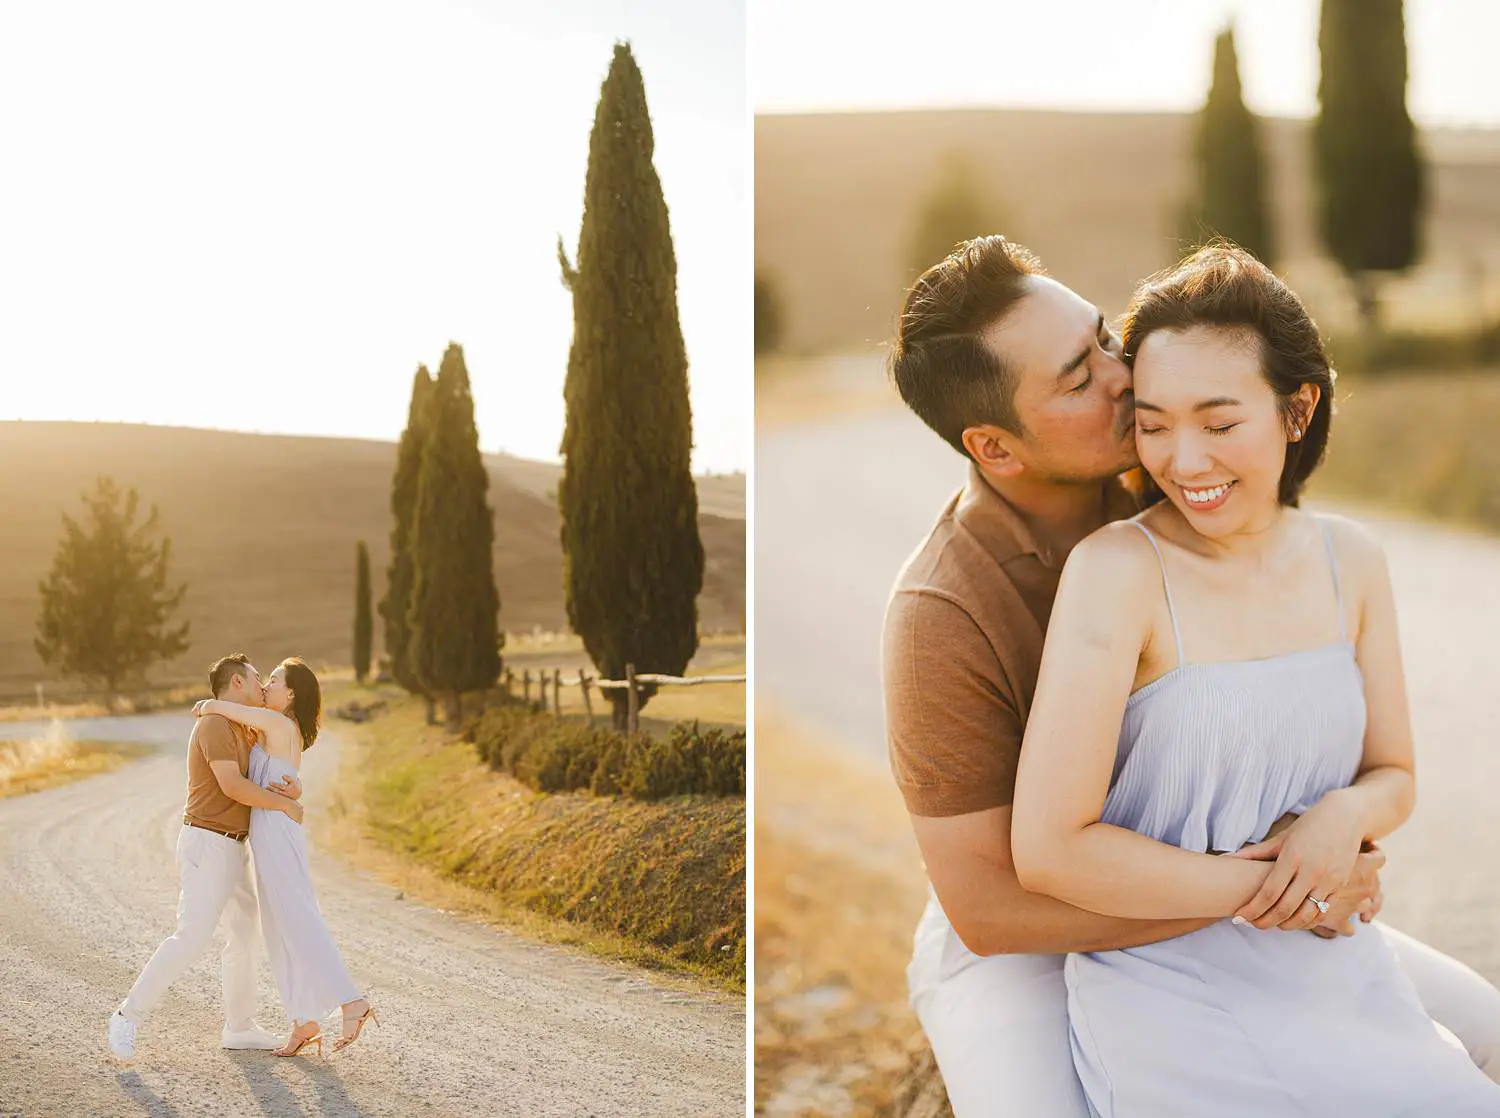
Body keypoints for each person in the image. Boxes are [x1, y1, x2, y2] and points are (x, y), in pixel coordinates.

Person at [882, 236, 1500, 1116]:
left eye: (1102, 339)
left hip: (1224, 884)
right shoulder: (942, 614)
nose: (1121, 377)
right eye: (1076, 377)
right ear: (997, 446)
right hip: (1028, 937)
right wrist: (1276, 888)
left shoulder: (1172, 471)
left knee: (1486, 1033)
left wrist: (1320, 842)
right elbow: (991, 906)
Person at [108, 654, 303, 1062]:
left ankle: (239, 1026)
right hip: (206, 843)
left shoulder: (243, 727)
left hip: (233, 847)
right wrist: (282, 807)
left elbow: (271, 777)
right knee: (192, 936)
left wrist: (290, 793)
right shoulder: (214, 725)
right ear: (236, 683)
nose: (262, 685)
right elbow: (232, 786)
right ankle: (127, 1015)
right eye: (255, 678)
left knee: (244, 934)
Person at [193, 657, 376, 1057]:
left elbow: (227, 708)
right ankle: (303, 1020)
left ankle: (352, 1001)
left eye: (273, 681)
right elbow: (282, 777)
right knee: (277, 927)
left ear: (290, 694)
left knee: (298, 919)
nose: (267, 687)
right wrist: (293, 792)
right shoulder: (277, 728)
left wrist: (208, 706)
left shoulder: (276, 723)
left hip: (276, 832)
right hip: (270, 831)